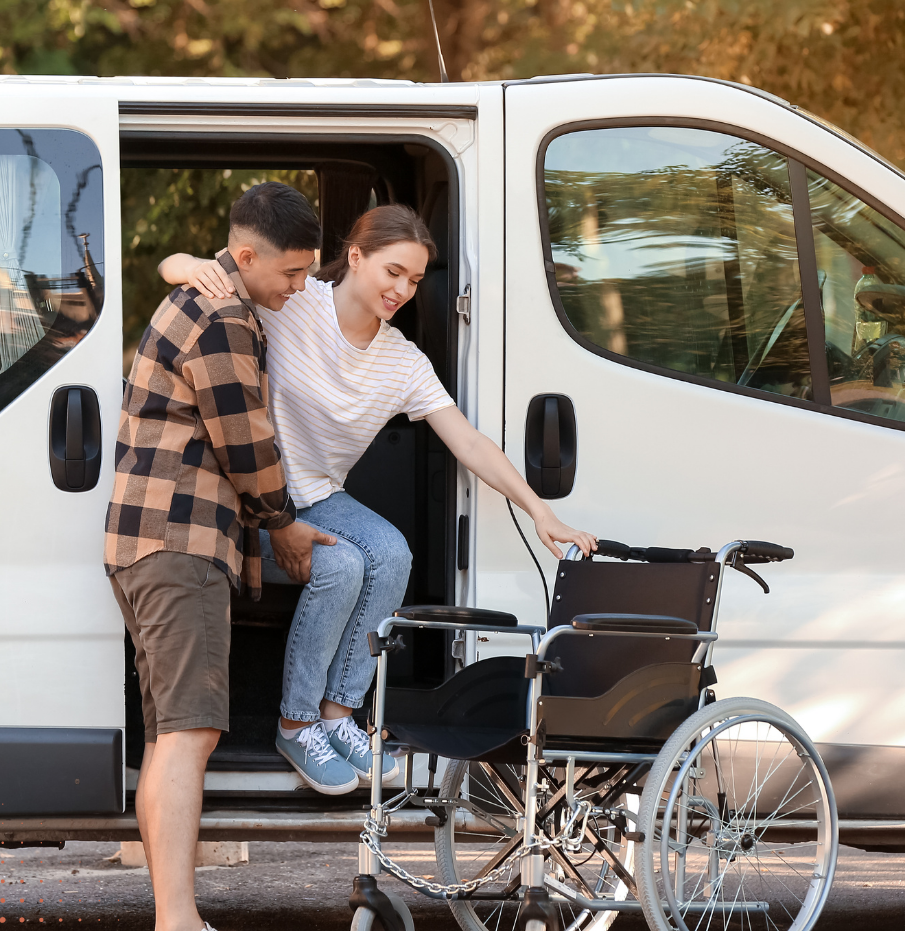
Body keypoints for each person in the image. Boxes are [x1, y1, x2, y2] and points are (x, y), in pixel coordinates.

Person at [159, 202, 597, 796]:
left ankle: (339, 715)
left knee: (391, 553)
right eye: (393, 272)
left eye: (414, 280)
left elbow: (468, 440)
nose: (402, 290)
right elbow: (192, 268)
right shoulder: (294, 302)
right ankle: (296, 723)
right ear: (357, 256)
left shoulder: (402, 361)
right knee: (340, 566)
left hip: (317, 496)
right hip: (250, 499)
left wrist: (541, 511)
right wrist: (186, 263)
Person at [105, 182, 328, 931]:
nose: (298, 286)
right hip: (181, 542)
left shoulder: (205, 298)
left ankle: (183, 926)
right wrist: (284, 523)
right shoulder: (223, 316)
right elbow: (247, 443)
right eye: (293, 272)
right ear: (245, 257)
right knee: (189, 736)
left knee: (173, 737)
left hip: (152, 542)